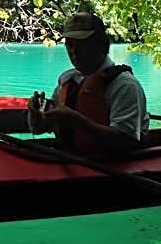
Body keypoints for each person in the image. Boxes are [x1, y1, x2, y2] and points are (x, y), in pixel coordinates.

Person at [27, 12, 149, 156]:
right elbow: (40, 128)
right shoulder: (69, 81)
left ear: (103, 45)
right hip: (74, 162)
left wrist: (77, 122)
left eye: (82, 44)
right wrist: (34, 115)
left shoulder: (125, 85)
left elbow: (126, 140)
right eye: (70, 44)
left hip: (111, 167)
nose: (74, 51)